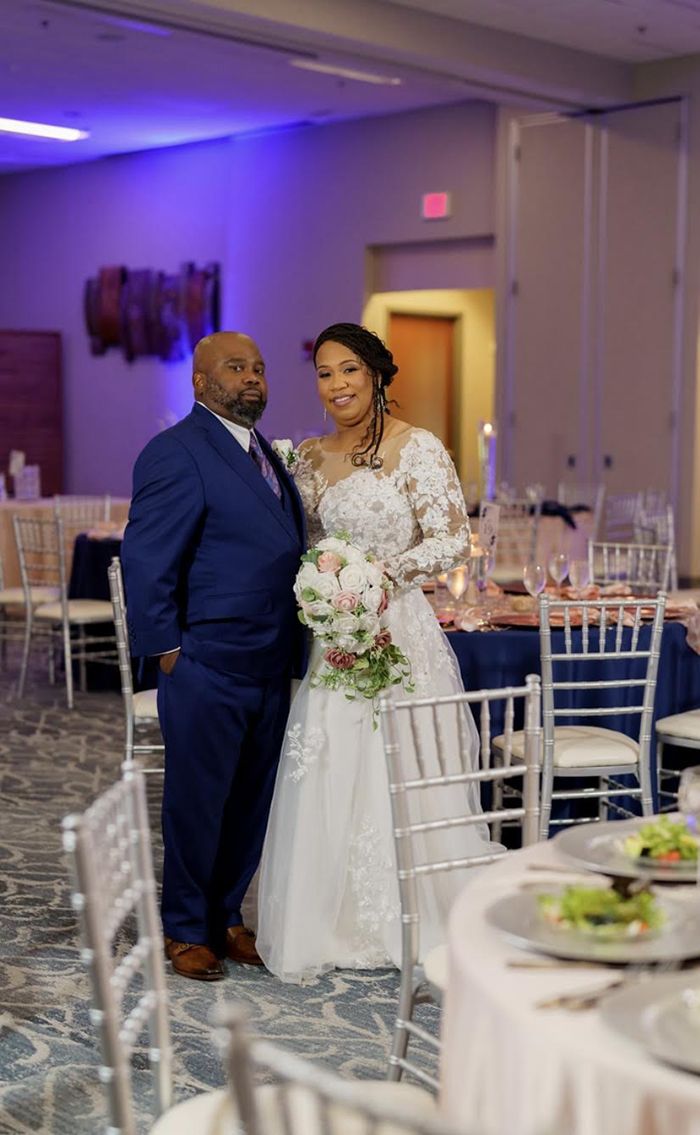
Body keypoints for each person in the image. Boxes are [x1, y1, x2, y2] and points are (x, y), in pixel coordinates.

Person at [256, 322, 497, 983]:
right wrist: (330, 585)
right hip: (334, 634)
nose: (336, 385)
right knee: (331, 760)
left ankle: (416, 914)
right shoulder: (307, 456)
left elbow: (451, 541)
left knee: (402, 767)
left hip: (402, 633)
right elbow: (296, 542)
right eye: (325, 373)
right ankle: (332, 920)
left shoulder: (418, 448)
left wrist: (376, 577)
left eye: (349, 371)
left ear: (378, 374)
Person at [121, 331, 306, 981]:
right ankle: (186, 927)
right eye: (235, 367)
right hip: (206, 662)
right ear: (199, 382)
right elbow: (147, 560)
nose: (251, 377)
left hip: (270, 660)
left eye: (259, 367)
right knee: (199, 800)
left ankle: (227, 914)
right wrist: (169, 651)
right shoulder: (177, 452)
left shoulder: (266, 455)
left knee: (252, 798)